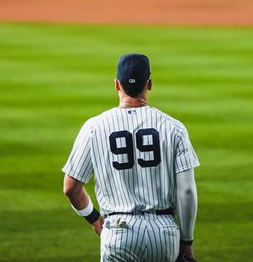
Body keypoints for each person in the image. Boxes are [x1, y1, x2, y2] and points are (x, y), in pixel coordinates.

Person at [63, 54, 199, 262]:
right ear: (150, 84)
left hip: (118, 231)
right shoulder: (174, 128)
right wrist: (187, 242)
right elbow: (187, 191)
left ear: (117, 84)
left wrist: (94, 219)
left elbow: (71, 187)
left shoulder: (94, 128)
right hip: (163, 233)